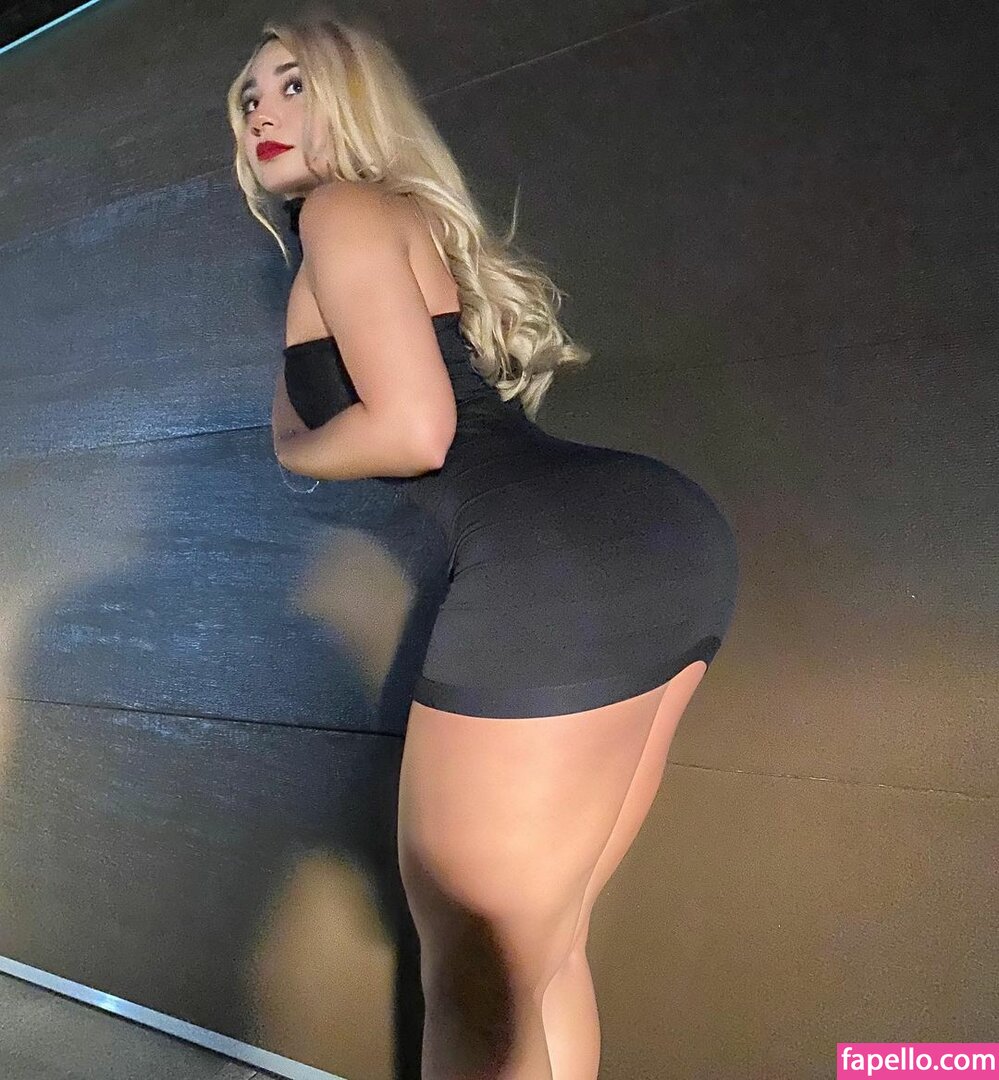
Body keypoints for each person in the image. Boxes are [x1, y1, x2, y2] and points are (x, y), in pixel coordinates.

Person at [227, 13, 739, 1079]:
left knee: (473, 978)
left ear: (353, 97)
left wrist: (294, 448)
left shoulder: (344, 209)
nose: (263, 111)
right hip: (659, 536)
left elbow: (416, 432)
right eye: (249, 97)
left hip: (555, 554)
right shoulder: (375, 222)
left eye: (294, 84)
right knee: (540, 956)